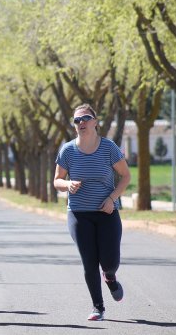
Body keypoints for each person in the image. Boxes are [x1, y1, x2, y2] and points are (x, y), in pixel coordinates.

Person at [53, 103, 131, 321]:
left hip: (107, 212)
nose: (81, 123)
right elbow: (56, 180)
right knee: (89, 261)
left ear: (96, 122)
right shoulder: (67, 150)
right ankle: (98, 307)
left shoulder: (109, 148)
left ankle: (110, 277)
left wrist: (112, 199)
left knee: (109, 261)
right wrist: (67, 185)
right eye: (77, 120)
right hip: (79, 213)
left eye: (86, 118)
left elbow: (126, 176)